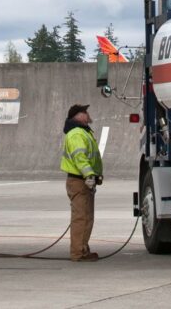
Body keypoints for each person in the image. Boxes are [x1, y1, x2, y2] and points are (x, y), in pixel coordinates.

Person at [60, 104, 103, 262]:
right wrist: (89, 175)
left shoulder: (83, 132)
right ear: (77, 116)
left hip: (84, 181)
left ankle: (83, 249)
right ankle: (78, 252)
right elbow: (80, 158)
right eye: (85, 112)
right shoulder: (76, 134)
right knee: (81, 218)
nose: (87, 114)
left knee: (86, 217)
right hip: (79, 181)